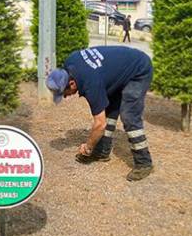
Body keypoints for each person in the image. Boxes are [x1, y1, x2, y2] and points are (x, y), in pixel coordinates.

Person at [46, 46, 154, 181]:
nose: (66, 97)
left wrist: (88, 146)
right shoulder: (71, 62)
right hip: (120, 70)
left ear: (72, 83)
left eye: (64, 93)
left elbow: (100, 124)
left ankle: (144, 163)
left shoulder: (90, 84)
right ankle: (102, 152)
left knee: (129, 116)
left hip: (138, 69)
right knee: (108, 108)